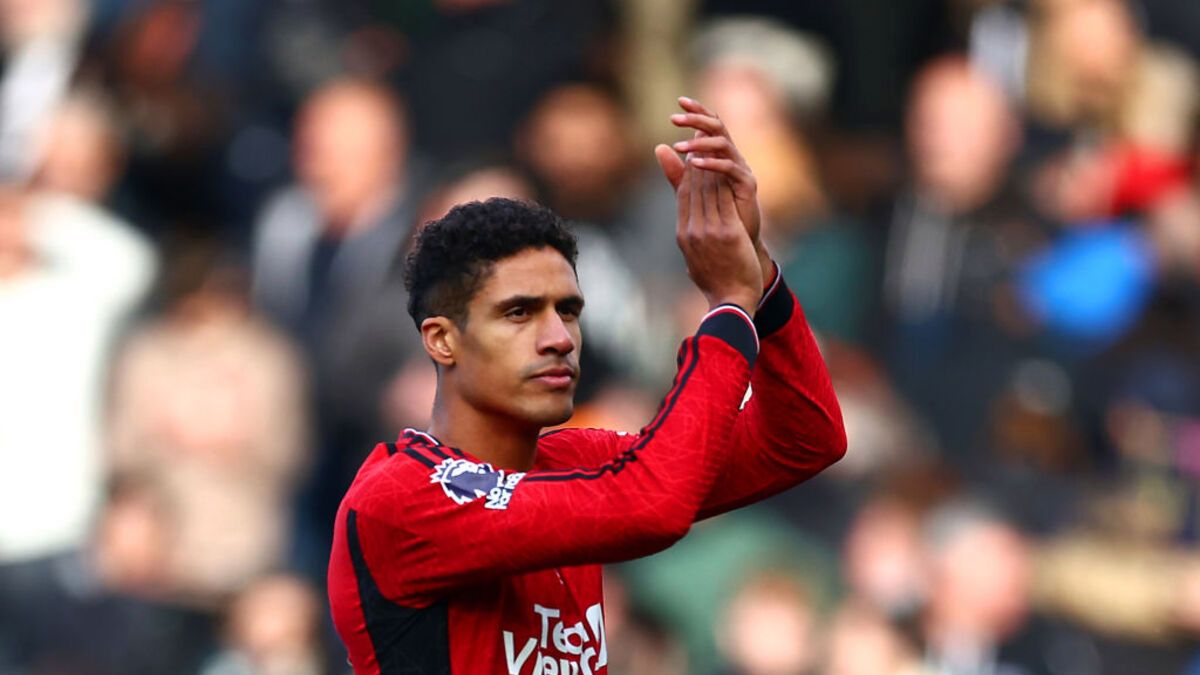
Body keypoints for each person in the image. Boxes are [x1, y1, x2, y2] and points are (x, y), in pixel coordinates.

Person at [326, 96, 846, 674]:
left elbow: (805, 439)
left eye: (569, 310)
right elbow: (654, 506)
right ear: (442, 340)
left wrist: (762, 278)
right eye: (519, 313)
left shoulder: (576, 457)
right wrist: (728, 308)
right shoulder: (401, 499)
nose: (560, 338)